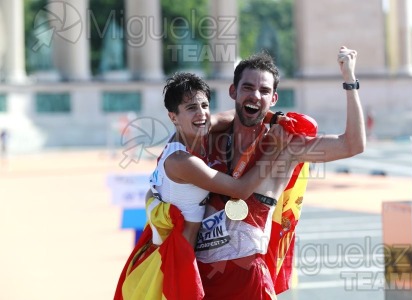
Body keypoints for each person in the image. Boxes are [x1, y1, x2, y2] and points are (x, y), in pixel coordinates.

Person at [195, 46, 365, 299]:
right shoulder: (211, 139)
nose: (255, 95)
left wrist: (350, 81)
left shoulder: (286, 146)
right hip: (200, 279)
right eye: (248, 88)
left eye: (264, 91)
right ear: (233, 91)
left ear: (273, 99)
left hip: (248, 282)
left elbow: (352, 144)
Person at [114, 72, 291, 300]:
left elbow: (228, 118)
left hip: (177, 257)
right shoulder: (183, 162)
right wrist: (273, 150)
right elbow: (240, 190)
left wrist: (268, 117)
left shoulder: (180, 141)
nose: (201, 114)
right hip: (176, 270)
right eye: (191, 108)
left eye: (205, 105)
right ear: (173, 117)